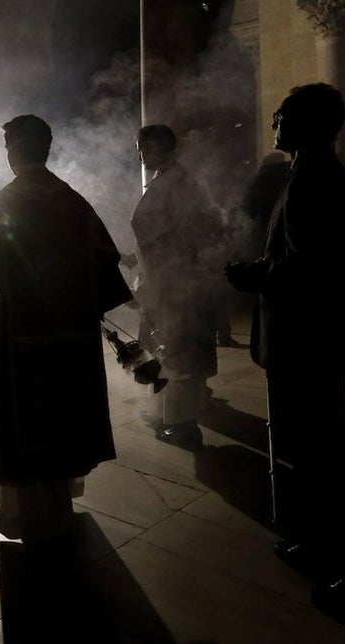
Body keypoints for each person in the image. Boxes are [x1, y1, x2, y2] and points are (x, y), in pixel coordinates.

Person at [225, 83, 345, 614]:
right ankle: (318, 544)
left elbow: (307, 265)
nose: (274, 123)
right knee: (312, 450)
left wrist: (250, 274)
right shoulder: (310, 172)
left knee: (321, 454)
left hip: (306, 339)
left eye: (281, 115)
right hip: (310, 338)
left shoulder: (314, 179)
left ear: (307, 123)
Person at [0, 114, 132, 546]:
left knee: (26, 425)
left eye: (8, 148)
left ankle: (32, 516)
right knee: (64, 419)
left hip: (22, 336)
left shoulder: (4, 202)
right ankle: (58, 509)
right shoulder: (71, 200)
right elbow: (104, 260)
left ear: (16, 151)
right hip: (72, 334)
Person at [123, 124, 219, 449]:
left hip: (174, 283)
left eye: (145, 148)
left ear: (163, 148)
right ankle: (171, 413)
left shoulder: (175, 183)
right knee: (169, 349)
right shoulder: (168, 180)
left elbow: (172, 237)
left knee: (176, 351)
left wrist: (156, 280)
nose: (140, 155)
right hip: (168, 279)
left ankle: (183, 427)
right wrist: (134, 260)